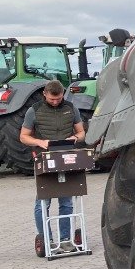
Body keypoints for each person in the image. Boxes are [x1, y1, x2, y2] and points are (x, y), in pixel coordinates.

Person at [20, 80, 85, 254]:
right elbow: (24, 137)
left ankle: (65, 241)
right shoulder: (34, 111)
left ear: (63, 94)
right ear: (45, 95)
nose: (55, 102)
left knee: (67, 202)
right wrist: (40, 142)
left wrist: (75, 138)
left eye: (58, 99)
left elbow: (81, 132)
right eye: (51, 99)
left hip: (67, 158)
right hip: (44, 159)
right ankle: (46, 240)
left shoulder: (71, 108)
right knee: (43, 202)